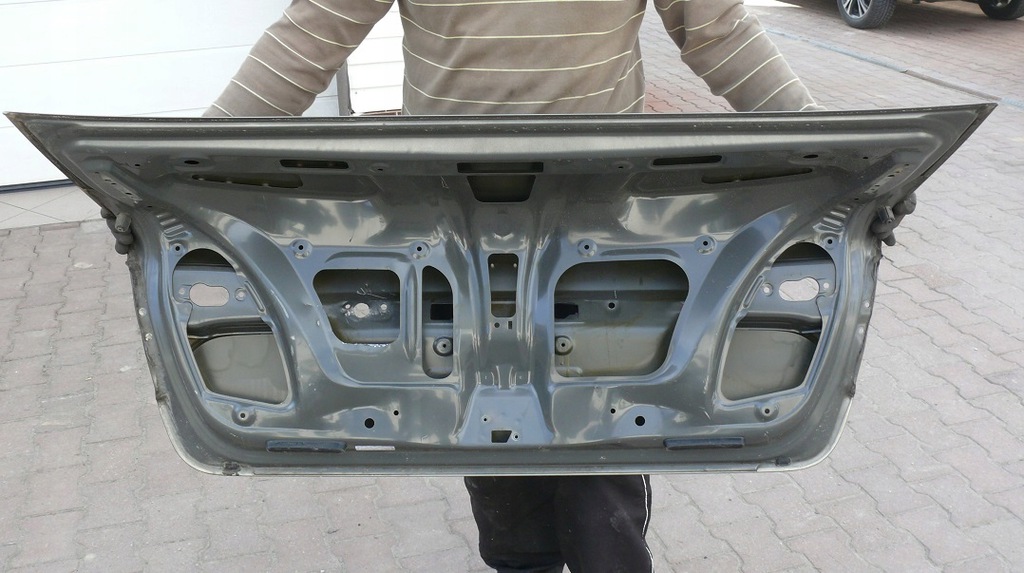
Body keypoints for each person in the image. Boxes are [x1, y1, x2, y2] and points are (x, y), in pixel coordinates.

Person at [203, 1, 821, 571]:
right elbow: (316, 29)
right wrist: (201, 155)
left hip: (596, 225)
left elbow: (716, 27)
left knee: (602, 440)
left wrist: (824, 146)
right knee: (491, 429)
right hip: (455, 224)